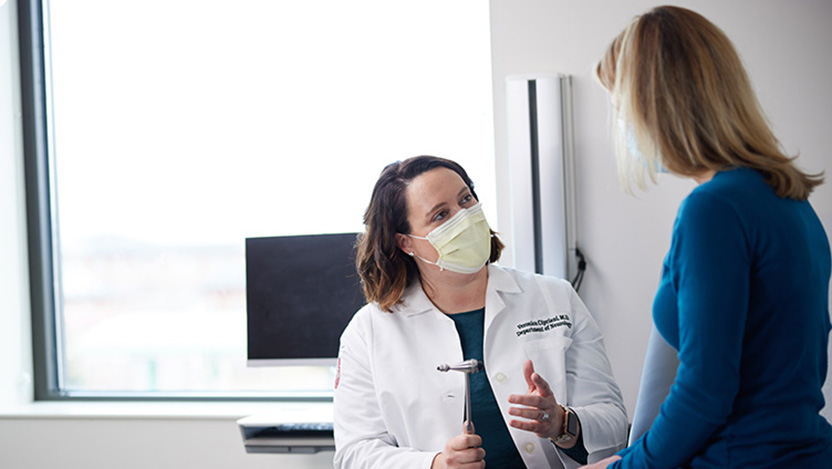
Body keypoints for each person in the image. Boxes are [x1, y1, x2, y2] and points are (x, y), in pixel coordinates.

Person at [586, 5, 832, 468]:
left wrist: (627, 467)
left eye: (623, 111)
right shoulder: (788, 198)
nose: (624, 128)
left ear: (658, 105)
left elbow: (705, 390)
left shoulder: (713, 209)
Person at [333, 155, 628, 468]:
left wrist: (562, 423)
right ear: (406, 242)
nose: (464, 217)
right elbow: (355, 454)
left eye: (466, 199)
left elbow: (613, 422)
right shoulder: (368, 332)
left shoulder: (554, 297)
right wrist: (434, 465)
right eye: (441, 215)